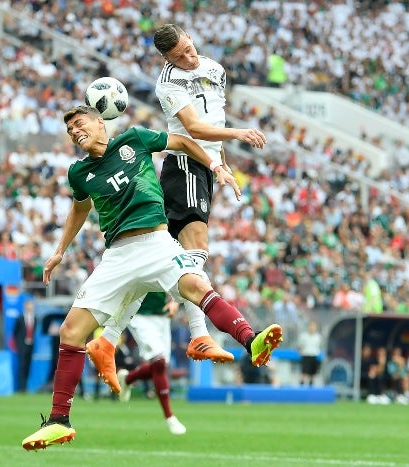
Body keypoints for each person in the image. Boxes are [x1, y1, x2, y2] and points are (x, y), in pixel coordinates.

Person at [21, 105, 282, 451]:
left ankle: (252, 341)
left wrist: (216, 166)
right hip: (118, 256)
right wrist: (59, 250)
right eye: (69, 129)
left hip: (157, 242)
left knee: (197, 287)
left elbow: (184, 143)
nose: (73, 131)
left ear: (100, 122)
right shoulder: (79, 172)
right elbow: (80, 208)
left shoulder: (134, 139)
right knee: (71, 331)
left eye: (78, 123)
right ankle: (58, 421)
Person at [99, 23, 269, 368]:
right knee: (195, 251)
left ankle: (108, 339)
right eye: (179, 56)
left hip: (206, 168)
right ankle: (199, 336)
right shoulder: (169, 83)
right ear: (166, 58)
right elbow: (194, 129)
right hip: (185, 166)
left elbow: (214, 120)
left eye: (189, 50)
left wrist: (223, 166)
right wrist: (239, 134)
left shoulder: (215, 69)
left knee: (158, 264)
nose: (188, 58)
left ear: (190, 37)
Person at [117, 292, 186, 435]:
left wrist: (175, 301)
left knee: (160, 366)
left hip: (162, 315)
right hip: (138, 313)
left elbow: (178, 278)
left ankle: (127, 379)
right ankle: (169, 417)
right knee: (159, 362)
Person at [13, 300, 37, 393]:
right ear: (25, 307)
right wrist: (19, 344)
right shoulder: (20, 318)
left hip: (31, 345)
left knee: (28, 365)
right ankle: (21, 387)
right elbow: (15, 332)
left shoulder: (35, 318)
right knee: (22, 365)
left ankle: (25, 387)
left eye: (31, 306)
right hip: (22, 345)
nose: (30, 308)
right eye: (28, 306)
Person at [297, 320, 322, 387]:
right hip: (306, 356)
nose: (312, 328)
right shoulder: (303, 336)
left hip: (314, 356)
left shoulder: (318, 337)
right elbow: (299, 346)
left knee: (312, 374)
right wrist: (300, 353)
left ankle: (311, 389)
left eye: (314, 326)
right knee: (304, 373)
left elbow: (319, 346)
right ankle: (301, 388)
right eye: (311, 326)